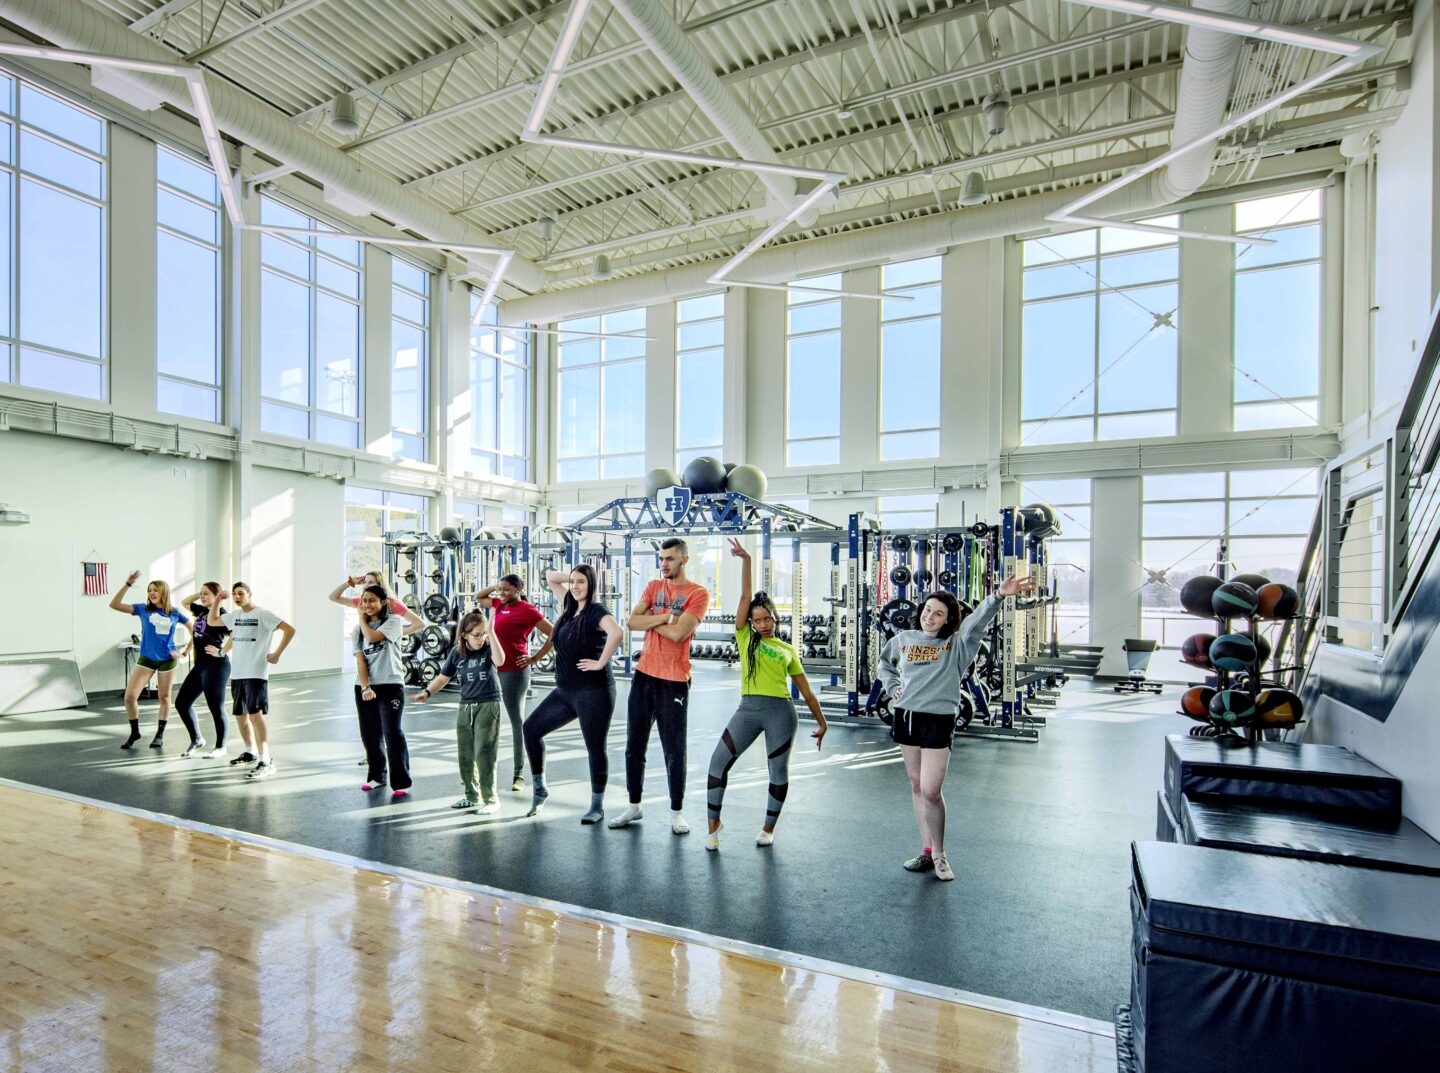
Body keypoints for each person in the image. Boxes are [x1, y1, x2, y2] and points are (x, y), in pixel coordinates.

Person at [877, 574, 1035, 881]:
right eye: (927, 609)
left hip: (938, 720)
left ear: (949, 620)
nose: (930, 616)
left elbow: (976, 622)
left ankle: (940, 854)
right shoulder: (903, 640)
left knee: (932, 791)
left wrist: (998, 596)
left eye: (938, 613)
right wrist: (893, 687)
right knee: (916, 786)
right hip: (907, 716)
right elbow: (884, 664)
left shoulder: (956, 645)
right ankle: (925, 851)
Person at [706, 539, 827, 850]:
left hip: (781, 715)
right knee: (717, 763)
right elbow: (746, 594)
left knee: (777, 771)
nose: (762, 624)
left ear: (775, 617)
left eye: (767, 619)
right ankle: (713, 827)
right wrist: (746, 559)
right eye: (757, 620)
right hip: (747, 710)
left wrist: (822, 722)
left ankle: (768, 828)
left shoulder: (787, 649)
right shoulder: (747, 639)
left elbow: (807, 692)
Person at [610, 537, 709, 834]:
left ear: (684, 560)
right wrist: (666, 616)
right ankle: (634, 805)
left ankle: (676, 812)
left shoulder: (698, 593)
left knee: (674, 750)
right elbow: (631, 622)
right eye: (661, 558)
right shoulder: (654, 587)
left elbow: (680, 635)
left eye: (669, 559)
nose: (663, 564)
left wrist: (651, 620)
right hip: (644, 675)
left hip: (674, 680)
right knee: (633, 745)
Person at [521, 564, 624, 824]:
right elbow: (550, 577)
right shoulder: (569, 606)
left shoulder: (596, 611)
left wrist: (600, 662)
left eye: (582, 582)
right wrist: (574, 576)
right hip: (565, 691)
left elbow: (617, 632)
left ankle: (597, 805)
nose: (575, 587)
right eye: (574, 582)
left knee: (594, 748)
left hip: (594, 691)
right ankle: (540, 789)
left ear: (591, 585)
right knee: (531, 729)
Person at [411, 610, 506, 813]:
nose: (481, 639)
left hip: (488, 704)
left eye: (483, 634)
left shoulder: (489, 648)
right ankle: (472, 796)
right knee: (465, 755)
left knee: (484, 753)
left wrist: (492, 633)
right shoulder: (457, 652)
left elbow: (500, 661)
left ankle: (491, 800)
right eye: (476, 635)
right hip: (465, 705)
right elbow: (443, 678)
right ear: (464, 634)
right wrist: (427, 692)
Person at [477, 574, 554, 793]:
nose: (502, 593)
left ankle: (518, 773)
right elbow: (478, 596)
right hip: (493, 667)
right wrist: (497, 587)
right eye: (500, 590)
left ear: (520, 588)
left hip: (515, 670)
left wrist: (535, 658)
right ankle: (481, 768)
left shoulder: (528, 610)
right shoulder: (499, 604)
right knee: (486, 718)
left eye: (507, 590)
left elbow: (553, 633)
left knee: (516, 721)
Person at [221, 582, 295, 780]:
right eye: (234, 594)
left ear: (249, 594)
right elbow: (212, 621)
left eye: (241, 593)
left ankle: (266, 760)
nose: (237, 597)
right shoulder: (235, 616)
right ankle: (250, 752)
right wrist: (217, 601)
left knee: (255, 716)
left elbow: (289, 629)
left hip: (256, 673)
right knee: (241, 716)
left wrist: (277, 653)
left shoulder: (263, 614)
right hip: (237, 673)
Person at [109, 571, 189, 749]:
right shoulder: (142, 609)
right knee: (130, 697)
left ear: (164, 593)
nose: (152, 593)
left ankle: (160, 734)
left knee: (164, 697)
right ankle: (135, 732)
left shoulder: (175, 613)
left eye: (155, 590)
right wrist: (127, 584)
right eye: (149, 590)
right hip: (146, 658)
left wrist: (183, 652)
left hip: (167, 659)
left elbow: (195, 630)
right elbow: (114, 604)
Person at [353, 584, 411, 798]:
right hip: (366, 685)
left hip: (391, 685)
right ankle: (377, 776)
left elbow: (373, 638)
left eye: (371, 600)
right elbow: (360, 658)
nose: (367, 605)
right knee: (370, 734)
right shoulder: (356, 631)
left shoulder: (393, 621)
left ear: (382, 602)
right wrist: (365, 686)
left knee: (392, 732)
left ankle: (401, 781)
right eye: (364, 600)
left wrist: (360, 620)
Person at [174, 582, 232, 759]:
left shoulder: (222, 615)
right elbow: (184, 602)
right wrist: (201, 596)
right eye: (201, 594)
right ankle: (197, 739)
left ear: (217, 595)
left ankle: (221, 746)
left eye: (206, 593)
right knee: (181, 703)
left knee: (216, 707)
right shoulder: (200, 611)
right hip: (200, 666)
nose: (202, 596)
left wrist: (222, 651)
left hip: (216, 666)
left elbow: (236, 634)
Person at [328, 574, 425, 634]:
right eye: (365, 582)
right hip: (367, 646)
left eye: (371, 582)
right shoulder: (361, 602)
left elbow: (419, 624)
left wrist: (396, 634)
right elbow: (333, 597)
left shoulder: (391, 603)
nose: (366, 585)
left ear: (380, 585)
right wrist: (349, 583)